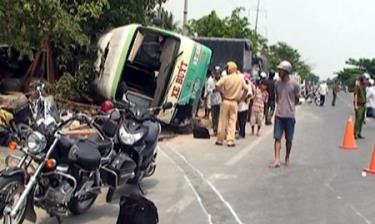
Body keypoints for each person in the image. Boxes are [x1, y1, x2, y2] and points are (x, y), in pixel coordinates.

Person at [271, 61, 300, 168]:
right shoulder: (277, 84)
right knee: (277, 138)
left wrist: (291, 107)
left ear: (287, 71)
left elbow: (296, 98)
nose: (279, 72)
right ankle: (277, 159)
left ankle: (287, 157)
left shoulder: (294, 84)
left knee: (289, 139)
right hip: (279, 115)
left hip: (290, 116)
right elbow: (277, 97)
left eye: (281, 70)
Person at [215, 61, 249, 147]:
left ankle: (220, 139)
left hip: (225, 101)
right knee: (232, 122)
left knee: (222, 121)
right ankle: (230, 140)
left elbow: (217, 85)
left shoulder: (226, 78)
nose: (226, 69)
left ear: (230, 68)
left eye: (227, 68)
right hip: (235, 102)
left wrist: (222, 93)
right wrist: (241, 99)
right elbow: (246, 89)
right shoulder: (240, 78)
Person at [207, 67, 222, 135]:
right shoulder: (210, 81)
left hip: (220, 101)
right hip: (213, 101)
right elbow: (208, 89)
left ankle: (219, 129)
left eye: (218, 73)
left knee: (220, 116)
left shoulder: (222, 80)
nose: (217, 74)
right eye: (216, 73)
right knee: (214, 116)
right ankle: (215, 129)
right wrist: (213, 90)